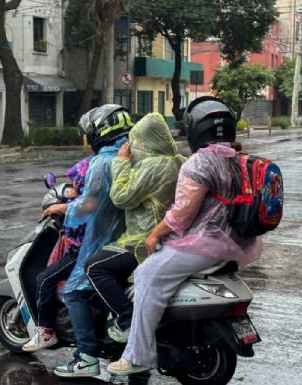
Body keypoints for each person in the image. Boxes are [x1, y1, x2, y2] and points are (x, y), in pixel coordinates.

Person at [107, 97, 263, 376]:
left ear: (194, 129)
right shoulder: (235, 157)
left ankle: (137, 355)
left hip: (205, 242)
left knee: (146, 275)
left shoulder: (200, 162)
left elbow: (182, 213)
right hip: (236, 241)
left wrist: (154, 233)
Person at [84, 112, 184, 343]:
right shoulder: (178, 160)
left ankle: (125, 319)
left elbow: (120, 197)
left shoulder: (153, 165)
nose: (135, 147)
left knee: (94, 268)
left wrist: (121, 162)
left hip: (143, 241)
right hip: (169, 238)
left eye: (137, 141)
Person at [50, 105, 133, 378]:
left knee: (74, 292)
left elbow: (88, 205)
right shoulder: (133, 154)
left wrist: (62, 209)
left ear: (100, 132)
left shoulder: (102, 162)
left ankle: (86, 357)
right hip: (132, 237)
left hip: (104, 241)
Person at [21, 158, 89, 352]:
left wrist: (57, 208)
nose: (74, 185)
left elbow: (78, 209)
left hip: (81, 252)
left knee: (44, 279)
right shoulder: (92, 197)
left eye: (77, 181)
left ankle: (46, 332)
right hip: (92, 249)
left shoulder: (83, 204)